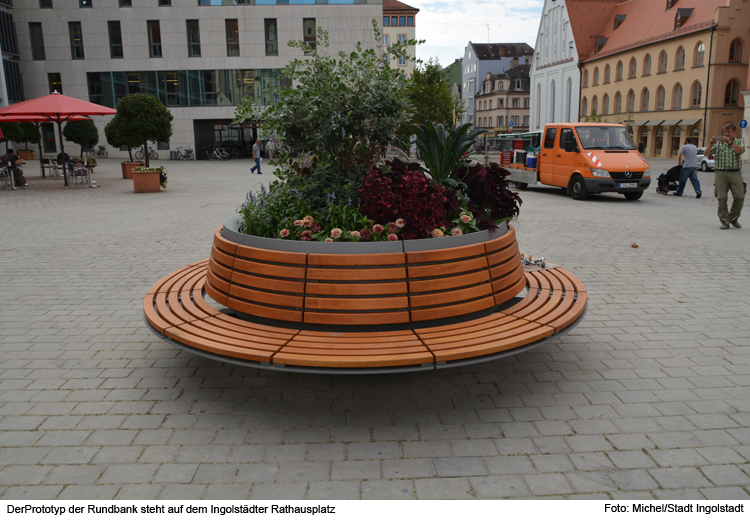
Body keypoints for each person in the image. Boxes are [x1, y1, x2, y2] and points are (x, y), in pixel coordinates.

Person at [706, 122, 745, 229]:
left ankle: (732, 218)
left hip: (735, 172)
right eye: (725, 132)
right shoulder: (718, 144)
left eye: (729, 132)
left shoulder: (739, 142)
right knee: (721, 197)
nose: (726, 134)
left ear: (734, 132)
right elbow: (706, 154)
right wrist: (710, 144)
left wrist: (731, 143)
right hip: (721, 173)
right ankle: (724, 221)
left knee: (740, 196)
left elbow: (741, 151)